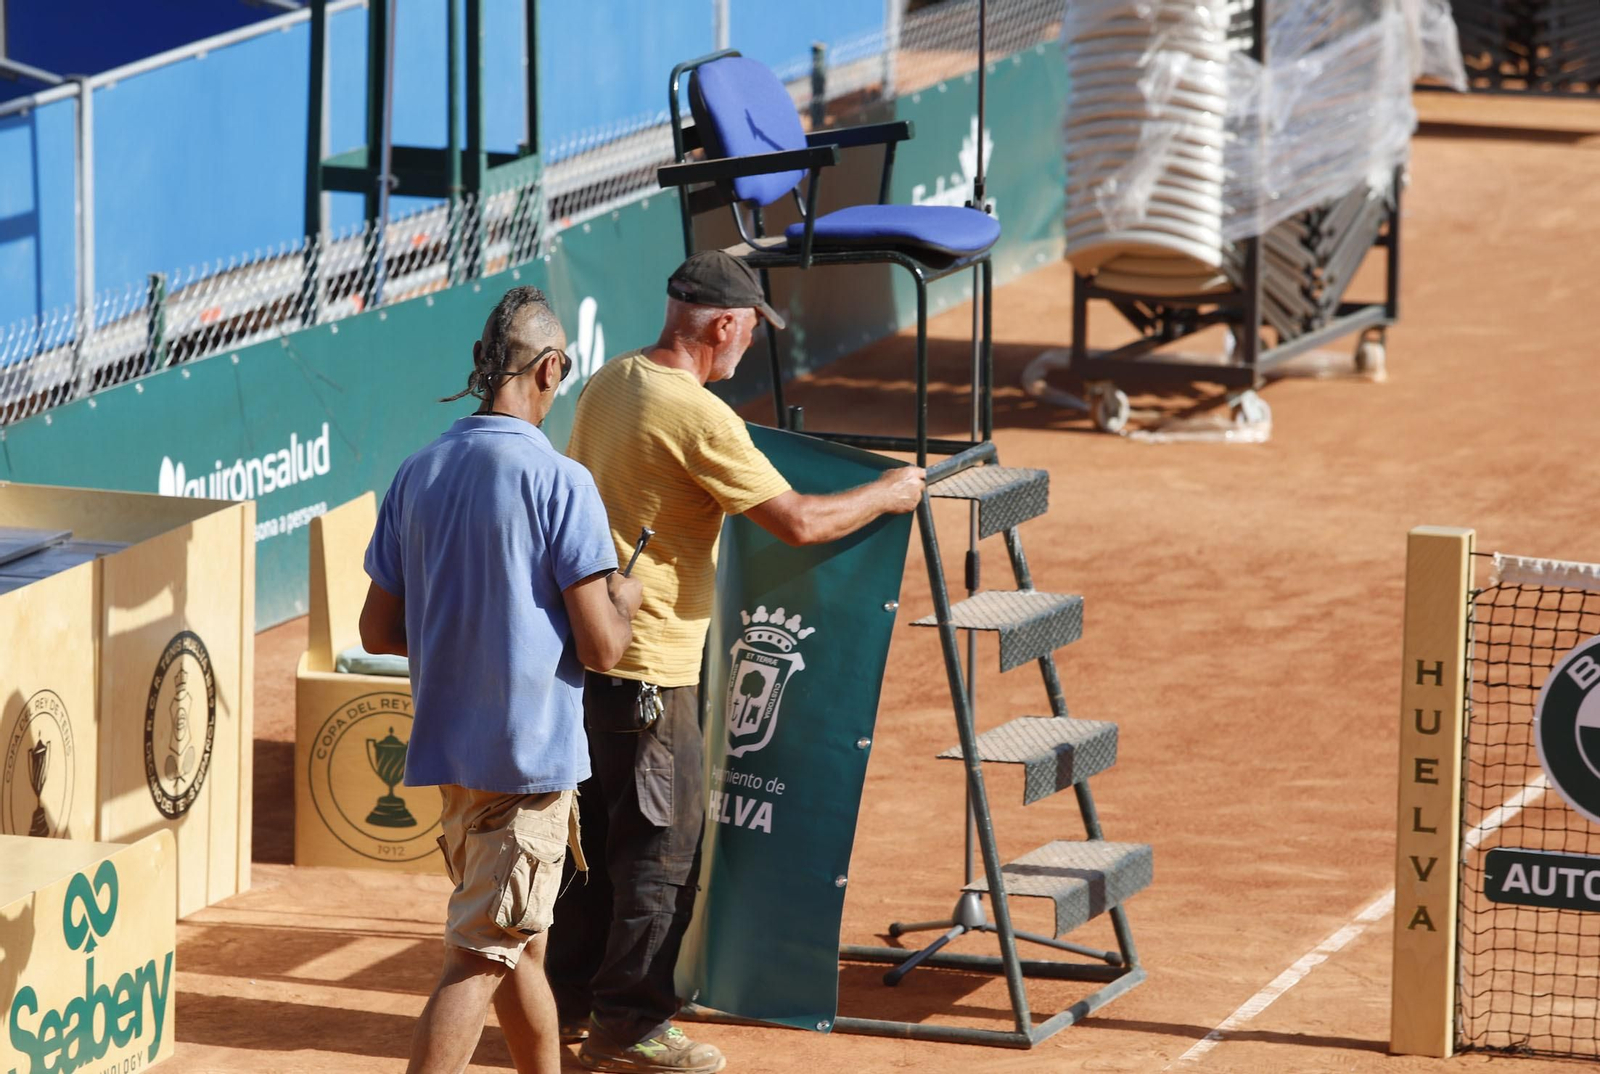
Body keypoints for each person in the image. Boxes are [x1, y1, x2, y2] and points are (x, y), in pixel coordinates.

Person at [549, 251, 925, 1074]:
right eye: (751, 331)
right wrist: (890, 493)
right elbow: (797, 522)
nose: (749, 346)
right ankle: (630, 1028)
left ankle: (567, 1007)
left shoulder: (611, 381)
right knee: (660, 857)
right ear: (723, 326)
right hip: (652, 671)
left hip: (586, 663)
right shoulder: (700, 416)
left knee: (594, 848)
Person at [359, 286, 644, 1074]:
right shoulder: (562, 482)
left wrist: (469, 633)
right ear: (549, 368)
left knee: (519, 951)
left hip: (455, 768)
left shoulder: (419, 472)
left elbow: (377, 630)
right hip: (527, 769)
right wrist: (624, 597)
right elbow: (602, 649)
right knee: (483, 958)